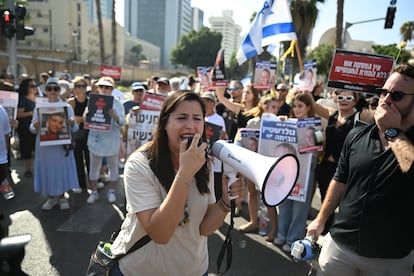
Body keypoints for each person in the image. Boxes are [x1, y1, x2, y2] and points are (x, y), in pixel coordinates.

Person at [109, 91, 245, 276]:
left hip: (195, 270)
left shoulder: (203, 161)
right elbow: (160, 235)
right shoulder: (139, 164)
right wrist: (185, 173)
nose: (190, 125)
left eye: (197, 118)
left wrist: (225, 203)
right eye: (181, 118)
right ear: (164, 123)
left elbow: (204, 228)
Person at [306, 63, 414, 276]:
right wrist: (320, 220)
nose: (386, 100)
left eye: (397, 95)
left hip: (388, 259)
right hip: (340, 246)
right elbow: (340, 180)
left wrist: (392, 132)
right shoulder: (357, 136)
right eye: (383, 92)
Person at [313, 89, 374, 233]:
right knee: (325, 202)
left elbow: (379, 114)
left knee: (344, 206)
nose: (344, 100)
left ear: (355, 99)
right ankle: (324, 232)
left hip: (345, 170)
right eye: (340, 97)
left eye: (348, 97)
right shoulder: (331, 114)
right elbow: (311, 103)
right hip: (326, 168)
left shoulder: (360, 116)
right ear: (335, 99)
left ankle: (338, 233)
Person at [274, 92, 319, 252]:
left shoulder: (315, 126)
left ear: (308, 107)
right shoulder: (288, 122)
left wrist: (310, 145)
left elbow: (320, 151)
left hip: (305, 172)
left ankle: (293, 238)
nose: (297, 109)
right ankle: (281, 233)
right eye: (295, 106)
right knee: (284, 204)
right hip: (287, 171)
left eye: (300, 106)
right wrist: (280, 123)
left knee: (300, 208)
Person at [30, 77, 79, 210]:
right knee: (48, 171)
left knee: (60, 170)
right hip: (44, 148)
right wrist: (35, 126)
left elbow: (75, 129)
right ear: (45, 90)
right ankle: (51, 198)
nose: (52, 91)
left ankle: (62, 197)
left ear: (59, 91)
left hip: (61, 146)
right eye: (49, 88)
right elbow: (32, 128)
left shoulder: (67, 107)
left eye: (55, 89)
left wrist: (72, 123)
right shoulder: (39, 108)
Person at [237, 96, 280, 240]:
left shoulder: (278, 123)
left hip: (268, 164)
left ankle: (274, 229)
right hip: (252, 162)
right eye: (273, 107)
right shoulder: (252, 122)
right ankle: (253, 222)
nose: (276, 110)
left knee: (268, 197)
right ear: (264, 106)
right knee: (252, 192)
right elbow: (243, 140)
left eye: (277, 107)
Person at [85, 76, 126, 204]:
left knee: (113, 167)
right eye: (101, 87)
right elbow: (85, 118)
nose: (104, 89)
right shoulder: (92, 101)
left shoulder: (117, 104)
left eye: (107, 87)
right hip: (95, 140)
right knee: (93, 167)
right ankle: (94, 191)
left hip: (111, 140)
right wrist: (87, 115)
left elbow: (123, 122)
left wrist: (114, 115)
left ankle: (112, 191)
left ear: (112, 89)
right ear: (98, 88)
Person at [200, 91, 227, 202]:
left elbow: (224, 138)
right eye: (203, 100)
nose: (205, 103)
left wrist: (223, 136)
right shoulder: (198, 117)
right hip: (200, 159)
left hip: (215, 161)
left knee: (216, 188)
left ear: (213, 103)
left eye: (208, 101)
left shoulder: (219, 119)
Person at [68, 76, 90, 194]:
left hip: (89, 134)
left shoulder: (91, 101)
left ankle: (93, 183)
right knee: (77, 160)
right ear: (74, 88)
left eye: (83, 86)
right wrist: (83, 119)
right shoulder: (70, 102)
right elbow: (69, 118)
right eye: (78, 86)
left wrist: (79, 119)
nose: (81, 88)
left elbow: (90, 119)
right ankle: (80, 184)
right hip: (75, 134)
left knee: (89, 159)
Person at [16, 78, 37, 177]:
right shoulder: (23, 99)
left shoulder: (39, 98)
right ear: (26, 87)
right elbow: (19, 114)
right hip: (25, 128)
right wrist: (32, 112)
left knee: (37, 149)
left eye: (35, 86)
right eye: (31, 86)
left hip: (37, 128)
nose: (34, 88)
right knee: (27, 150)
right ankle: (28, 170)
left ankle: (38, 168)